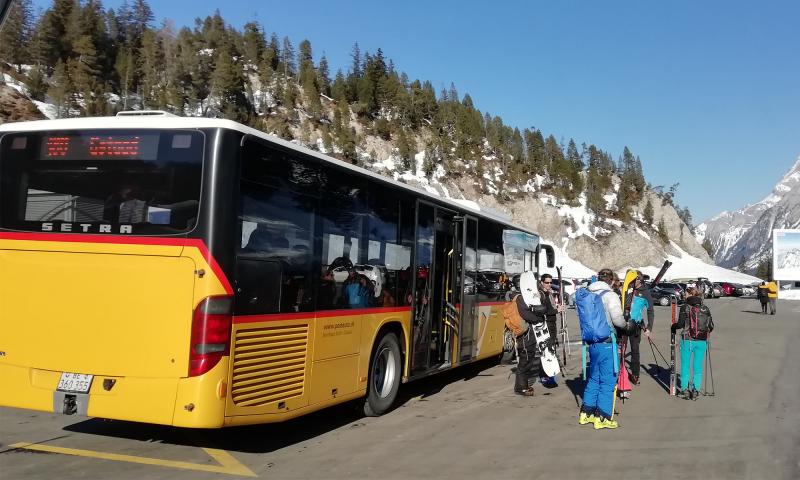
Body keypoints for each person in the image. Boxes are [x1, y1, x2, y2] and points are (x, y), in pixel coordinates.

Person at [578, 268, 627, 429]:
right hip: (607, 342)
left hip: (592, 343)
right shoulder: (610, 295)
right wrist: (628, 325)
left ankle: (586, 413)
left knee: (594, 378)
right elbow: (618, 320)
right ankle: (603, 417)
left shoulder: (588, 294)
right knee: (608, 380)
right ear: (611, 280)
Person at [670, 287, 714, 400]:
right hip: (701, 341)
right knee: (697, 366)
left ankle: (685, 390)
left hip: (687, 340)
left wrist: (673, 326)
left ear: (690, 294)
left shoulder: (685, 307)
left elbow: (680, 324)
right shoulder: (705, 308)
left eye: (685, 293)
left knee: (685, 366)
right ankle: (695, 390)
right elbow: (711, 326)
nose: (684, 295)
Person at [512, 271, 549, 396]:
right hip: (525, 334)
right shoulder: (519, 298)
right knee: (526, 359)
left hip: (529, 333)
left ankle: (523, 385)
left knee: (529, 358)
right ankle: (521, 388)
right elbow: (526, 314)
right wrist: (538, 318)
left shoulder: (525, 296)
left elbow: (541, 304)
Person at [537, 274, 565, 387]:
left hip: (552, 324)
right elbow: (543, 311)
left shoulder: (549, 293)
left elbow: (551, 308)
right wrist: (556, 310)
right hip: (545, 324)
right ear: (542, 282)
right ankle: (545, 376)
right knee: (547, 351)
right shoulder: (540, 294)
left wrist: (558, 307)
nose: (549, 284)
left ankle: (549, 376)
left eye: (550, 282)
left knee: (551, 350)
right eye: (546, 282)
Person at [627, 272, 655, 385]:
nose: (633, 282)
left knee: (634, 350)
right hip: (622, 323)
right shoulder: (628, 288)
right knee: (620, 350)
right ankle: (619, 372)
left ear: (639, 280)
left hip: (635, 325)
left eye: (635, 280)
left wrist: (649, 327)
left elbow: (650, 311)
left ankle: (635, 374)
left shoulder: (645, 293)